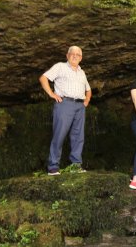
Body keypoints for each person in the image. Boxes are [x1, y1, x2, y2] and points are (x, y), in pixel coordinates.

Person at [39, 46, 92, 176]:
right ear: (67, 55)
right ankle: (53, 167)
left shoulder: (82, 72)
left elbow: (88, 89)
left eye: (78, 54)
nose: (75, 56)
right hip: (65, 104)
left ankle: (75, 165)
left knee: (78, 136)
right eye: (72, 53)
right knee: (59, 134)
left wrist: (86, 101)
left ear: (81, 58)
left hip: (80, 106)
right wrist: (51, 93)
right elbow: (43, 78)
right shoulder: (60, 66)